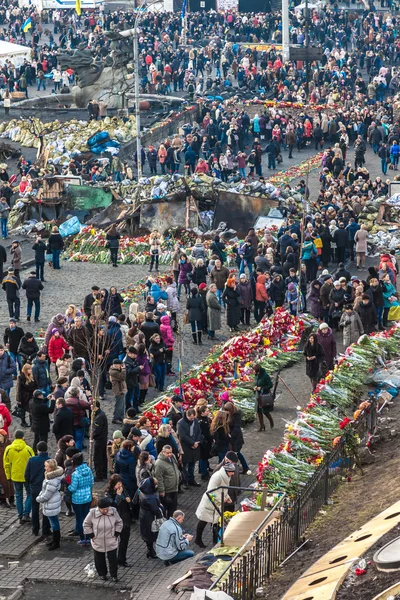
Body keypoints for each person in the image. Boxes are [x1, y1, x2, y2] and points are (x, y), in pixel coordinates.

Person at [195, 462, 236, 548]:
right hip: (210, 502)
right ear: (227, 471)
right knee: (203, 520)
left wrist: (226, 497)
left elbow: (224, 490)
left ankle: (215, 542)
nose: (233, 473)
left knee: (216, 522)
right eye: (232, 471)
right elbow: (211, 490)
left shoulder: (227, 476)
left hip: (217, 502)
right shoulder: (217, 476)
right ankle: (198, 539)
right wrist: (223, 498)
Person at [83, 497, 123, 582]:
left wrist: (116, 533)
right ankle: (102, 574)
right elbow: (86, 524)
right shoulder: (92, 513)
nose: (105, 511)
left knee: (112, 559)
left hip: (111, 540)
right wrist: (92, 535)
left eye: (107, 509)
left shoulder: (113, 511)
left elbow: (119, 522)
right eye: (103, 509)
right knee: (99, 559)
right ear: (99, 508)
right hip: (98, 541)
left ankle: (114, 575)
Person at [3, 429, 34, 523]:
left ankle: (20, 516)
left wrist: (8, 476)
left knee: (18, 496)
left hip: (15, 476)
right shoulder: (28, 449)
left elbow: (6, 464)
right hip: (27, 477)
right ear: (23, 437)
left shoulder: (8, 449)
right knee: (30, 494)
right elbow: (33, 463)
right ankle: (26, 514)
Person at [36, 458, 64, 551]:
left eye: (46, 466)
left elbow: (47, 495)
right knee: (54, 522)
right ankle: (55, 541)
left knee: (54, 523)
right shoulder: (51, 476)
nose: (45, 468)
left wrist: (38, 498)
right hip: (52, 502)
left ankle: (56, 542)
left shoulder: (52, 480)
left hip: (51, 503)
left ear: (51, 468)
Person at [25, 441, 51, 538]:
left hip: (34, 488)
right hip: (46, 488)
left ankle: (35, 529)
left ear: (37, 450)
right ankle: (46, 529)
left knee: (35, 509)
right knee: (46, 508)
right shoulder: (50, 460)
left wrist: (28, 486)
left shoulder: (32, 460)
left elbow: (26, 475)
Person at [68, 452, 94, 546]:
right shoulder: (88, 469)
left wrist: (68, 487)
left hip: (77, 499)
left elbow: (73, 488)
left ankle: (82, 539)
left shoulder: (75, 474)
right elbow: (92, 482)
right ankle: (88, 537)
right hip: (88, 497)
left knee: (79, 519)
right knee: (87, 518)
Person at [105, 474, 132, 567]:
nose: (119, 486)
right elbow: (113, 506)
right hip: (115, 520)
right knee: (114, 540)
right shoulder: (108, 493)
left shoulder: (123, 489)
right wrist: (119, 495)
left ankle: (122, 559)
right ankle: (113, 560)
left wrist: (128, 500)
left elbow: (127, 499)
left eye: (120, 484)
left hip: (125, 517)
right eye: (117, 484)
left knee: (125, 540)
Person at [138, 476, 164, 559]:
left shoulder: (143, 492)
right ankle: (151, 551)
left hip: (144, 516)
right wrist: (161, 507)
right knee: (151, 534)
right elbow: (156, 510)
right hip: (150, 519)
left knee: (147, 534)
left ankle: (150, 550)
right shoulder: (149, 497)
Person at [177, 408, 202, 487]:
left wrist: (197, 441)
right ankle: (185, 481)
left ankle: (192, 480)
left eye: (193, 417)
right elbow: (183, 436)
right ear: (187, 416)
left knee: (192, 464)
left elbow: (199, 431)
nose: (192, 419)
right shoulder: (181, 423)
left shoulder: (195, 421)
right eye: (191, 418)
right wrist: (192, 443)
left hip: (195, 446)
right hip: (186, 447)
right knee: (185, 465)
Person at [154, 445, 180, 518]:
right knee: (165, 509)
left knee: (173, 509)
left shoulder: (173, 457)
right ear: (163, 452)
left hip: (174, 489)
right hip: (166, 491)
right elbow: (159, 478)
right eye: (167, 453)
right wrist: (161, 491)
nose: (169, 454)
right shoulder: (159, 464)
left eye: (171, 452)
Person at [224, 402, 250, 475]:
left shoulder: (236, 415)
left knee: (236, 452)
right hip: (232, 437)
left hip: (236, 438)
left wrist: (231, 436)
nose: (226, 412)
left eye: (227, 411)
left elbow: (236, 428)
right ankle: (245, 467)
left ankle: (244, 467)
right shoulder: (228, 415)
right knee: (237, 453)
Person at [254, 363, 274, 431]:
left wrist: (262, 388)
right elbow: (256, 383)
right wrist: (255, 387)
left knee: (265, 411)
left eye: (254, 370)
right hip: (258, 395)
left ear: (257, 370)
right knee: (258, 411)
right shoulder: (256, 375)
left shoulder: (265, 376)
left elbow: (270, 385)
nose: (253, 371)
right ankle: (262, 425)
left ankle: (271, 420)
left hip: (264, 395)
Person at [16, 362, 36, 427]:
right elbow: (18, 388)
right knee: (23, 410)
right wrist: (18, 399)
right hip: (24, 396)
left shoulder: (32, 375)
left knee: (31, 409)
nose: (31, 370)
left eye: (31, 369)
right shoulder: (21, 377)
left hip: (31, 395)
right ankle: (23, 422)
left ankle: (32, 423)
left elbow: (36, 384)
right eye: (29, 369)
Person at [92, 401, 108, 482]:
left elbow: (96, 430)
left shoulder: (99, 417)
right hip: (103, 438)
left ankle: (99, 475)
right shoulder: (100, 414)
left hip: (99, 439)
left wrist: (92, 436)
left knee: (98, 458)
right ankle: (104, 473)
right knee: (103, 456)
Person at [109, 359, 127, 425]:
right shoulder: (114, 372)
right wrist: (123, 369)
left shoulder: (116, 370)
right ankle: (115, 418)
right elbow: (123, 377)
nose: (117, 366)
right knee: (119, 406)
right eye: (115, 364)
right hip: (119, 390)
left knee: (122, 405)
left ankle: (121, 417)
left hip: (121, 389)